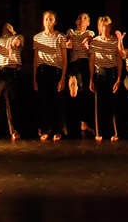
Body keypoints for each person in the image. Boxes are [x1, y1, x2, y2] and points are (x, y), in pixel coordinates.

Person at [33, 11, 68, 141]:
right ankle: (45, 129)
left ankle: (58, 130)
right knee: (44, 102)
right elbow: (35, 59)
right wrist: (34, 79)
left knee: (57, 102)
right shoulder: (37, 38)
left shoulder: (60, 37)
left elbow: (64, 59)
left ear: (55, 22)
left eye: (50, 19)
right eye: (46, 19)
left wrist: (63, 77)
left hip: (56, 70)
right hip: (42, 71)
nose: (48, 22)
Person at [89, 16, 123, 142]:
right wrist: (91, 79)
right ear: (99, 27)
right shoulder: (95, 41)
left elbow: (119, 60)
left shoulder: (115, 41)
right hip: (99, 73)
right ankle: (99, 132)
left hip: (112, 73)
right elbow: (92, 61)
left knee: (113, 104)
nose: (105, 28)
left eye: (107, 26)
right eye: (103, 25)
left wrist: (119, 78)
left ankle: (115, 132)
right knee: (99, 105)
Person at [65, 13, 96, 137]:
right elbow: (68, 38)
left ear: (88, 23)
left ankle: (84, 122)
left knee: (85, 92)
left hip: (86, 63)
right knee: (78, 89)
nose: (82, 20)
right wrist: (68, 42)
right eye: (79, 18)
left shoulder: (89, 33)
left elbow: (90, 37)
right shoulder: (71, 32)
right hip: (74, 62)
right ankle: (73, 81)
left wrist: (87, 41)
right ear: (76, 21)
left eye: (85, 18)